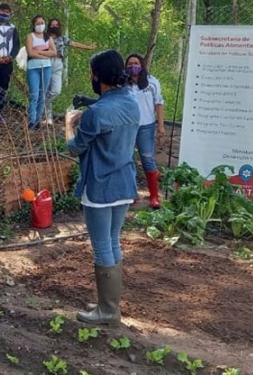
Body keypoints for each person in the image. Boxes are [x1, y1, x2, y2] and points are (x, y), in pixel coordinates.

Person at [65, 50, 139, 324]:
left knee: (101, 247)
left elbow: (76, 147)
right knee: (113, 241)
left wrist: (69, 125)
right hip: (125, 183)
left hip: (99, 186)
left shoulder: (96, 112)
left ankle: (108, 310)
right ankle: (110, 303)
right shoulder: (131, 103)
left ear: (97, 76)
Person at [125, 53, 165, 208]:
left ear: (141, 65)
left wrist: (160, 125)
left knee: (148, 160)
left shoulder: (152, 82)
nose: (132, 66)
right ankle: (131, 194)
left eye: (135, 63)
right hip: (127, 127)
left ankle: (154, 196)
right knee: (128, 160)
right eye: (129, 64)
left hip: (146, 127)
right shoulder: (122, 83)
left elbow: (159, 103)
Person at [43, 17, 97, 125]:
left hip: (58, 63)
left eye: (56, 25)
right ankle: (48, 117)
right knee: (46, 89)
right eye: (52, 25)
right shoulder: (44, 37)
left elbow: (74, 44)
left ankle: (39, 106)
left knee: (55, 91)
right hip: (46, 63)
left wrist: (89, 47)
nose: (54, 27)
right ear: (49, 26)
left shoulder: (62, 38)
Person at [25, 15, 58, 129]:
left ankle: (38, 119)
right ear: (34, 25)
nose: (40, 25)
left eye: (42, 23)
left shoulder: (48, 37)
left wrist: (39, 52)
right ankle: (32, 120)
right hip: (33, 68)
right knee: (34, 94)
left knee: (42, 95)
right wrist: (46, 52)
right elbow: (30, 53)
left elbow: (54, 52)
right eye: (37, 23)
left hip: (47, 67)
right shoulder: (30, 36)